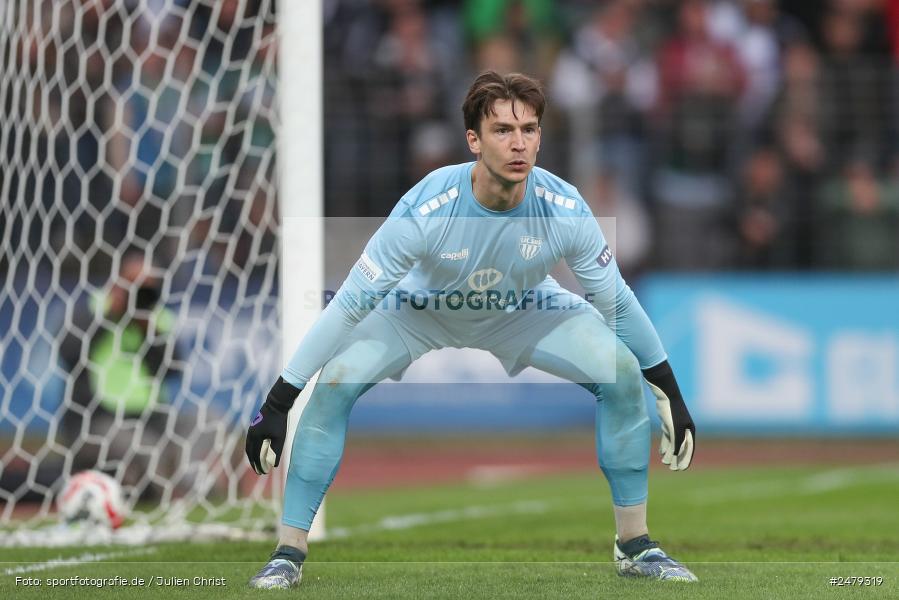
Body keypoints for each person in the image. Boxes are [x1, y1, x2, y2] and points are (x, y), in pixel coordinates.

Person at [245, 71, 697, 589]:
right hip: (419, 310)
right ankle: (288, 552)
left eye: (529, 129)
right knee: (335, 382)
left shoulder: (565, 208)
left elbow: (616, 301)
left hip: (524, 307)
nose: (519, 142)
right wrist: (280, 400)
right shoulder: (427, 208)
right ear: (474, 141)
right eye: (502, 130)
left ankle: (636, 545)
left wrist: (667, 387)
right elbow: (348, 306)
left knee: (620, 371)